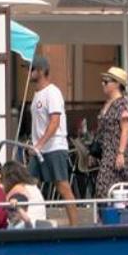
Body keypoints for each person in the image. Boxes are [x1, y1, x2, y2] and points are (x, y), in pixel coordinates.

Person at [27, 57, 78, 225]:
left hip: (54, 147)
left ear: (41, 71)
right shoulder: (36, 95)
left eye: (32, 69)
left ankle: (75, 225)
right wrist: (34, 143)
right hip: (39, 149)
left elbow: (55, 122)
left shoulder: (52, 92)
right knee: (29, 184)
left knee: (62, 186)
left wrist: (39, 144)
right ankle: (30, 221)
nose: (29, 72)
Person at [94, 68, 128, 204]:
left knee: (104, 187)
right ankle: (108, 216)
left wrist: (121, 153)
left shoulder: (122, 104)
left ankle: (108, 216)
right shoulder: (108, 103)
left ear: (117, 84)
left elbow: (125, 129)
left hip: (116, 152)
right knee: (112, 188)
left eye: (106, 81)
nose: (103, 84)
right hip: (107, 151)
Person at [1, 163, 47, 228]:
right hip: (39, 222)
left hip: (28, 224)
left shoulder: (18, 187)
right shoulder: (32, 186)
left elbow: (5, 202)